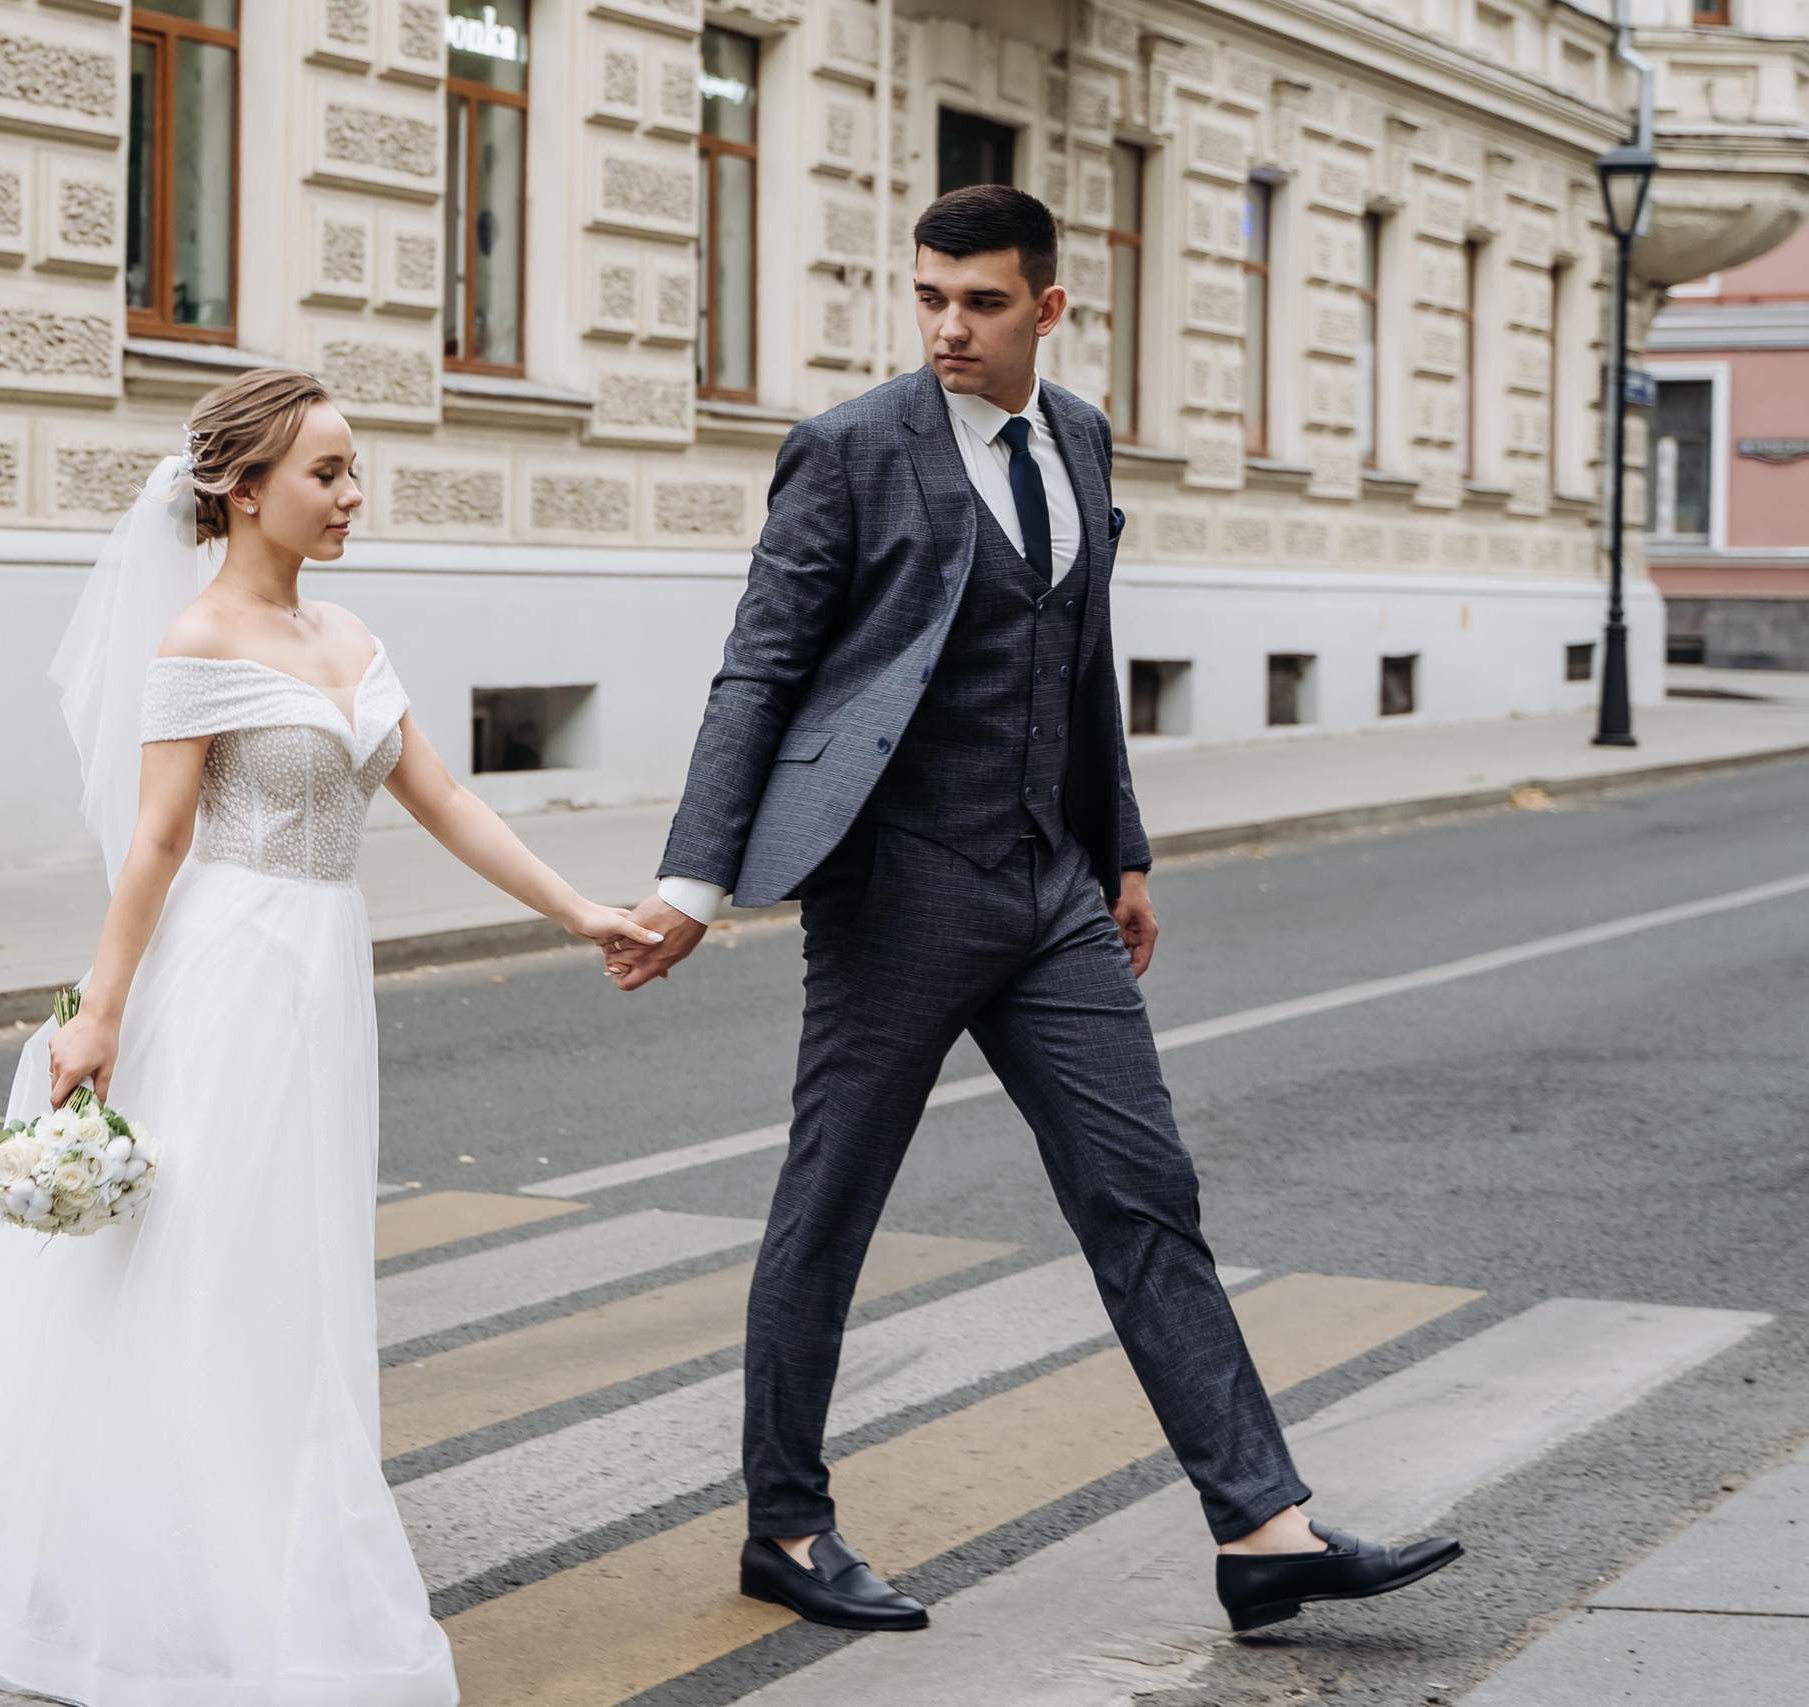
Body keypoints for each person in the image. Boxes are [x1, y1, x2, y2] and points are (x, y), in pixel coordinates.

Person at [0, 368, 658, 1703]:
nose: (353, 498)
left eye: (356, 473)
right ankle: (172, 1537)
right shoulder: (198, 644)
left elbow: (445, 796)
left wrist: (580, 909)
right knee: (207, 1250)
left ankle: (254, 1519)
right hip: (226, 970)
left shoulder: (349, 637)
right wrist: (103, 1012)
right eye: (326, 474)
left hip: (320, 967)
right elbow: (157, 843)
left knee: (290, 1255)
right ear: (244, 492)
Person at [601, 185, 1461, 1635]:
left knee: (1146, 1195)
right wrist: (692, 882)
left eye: (982, 301)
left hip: (1051, 889)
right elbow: (758, 670)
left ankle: (1262, 1528)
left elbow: (1082, 656)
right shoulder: (849, 452)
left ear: (1048, 308)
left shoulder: (1074, 437)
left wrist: (1120, 850)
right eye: (930, 295)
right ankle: (788, 1528)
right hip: (900, 889)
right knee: (832, 1211)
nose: (948, 325)